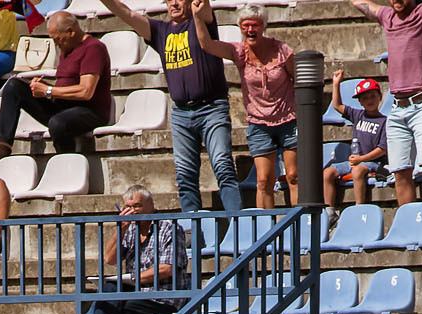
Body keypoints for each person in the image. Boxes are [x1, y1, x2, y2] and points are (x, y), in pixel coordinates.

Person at [100, 0, 243, 215]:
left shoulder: (200, 20)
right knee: (185, 176)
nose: (174, 3)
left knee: (223, 167)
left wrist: (198, 8)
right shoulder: (161, 30)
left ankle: (238, 224)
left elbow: (204, 9)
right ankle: (191, 231)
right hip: (181, 112)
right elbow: (128, 14)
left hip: (212, 107)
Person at [348, 0, 422, 216]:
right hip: (397, 107)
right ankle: (409, 223)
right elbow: (359, 3)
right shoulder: (387, 17)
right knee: (400, 169)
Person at [0, 10, 111, 157]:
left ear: (70, 32)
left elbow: (86, 91)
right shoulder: (68, 49)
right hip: (63, 106)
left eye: (58, 39)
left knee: (58, 123)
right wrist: (41, 87)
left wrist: (48, 91)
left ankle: (67, 161)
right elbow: (65, 86)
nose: (56, 44)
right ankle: (4, 147)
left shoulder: (93, 48)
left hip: (89, 112)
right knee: (14, 86)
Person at [208, 8, 297, 210]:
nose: (250, 29)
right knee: (264, 180)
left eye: (254, 25)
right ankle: (267, 231)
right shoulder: (239, 52)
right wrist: (197, 16)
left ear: (263, 27)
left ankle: (301, 228)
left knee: (293, 176)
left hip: (288, 119)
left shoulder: (282, 50)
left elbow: (298, 79)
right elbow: (206, 45)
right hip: (258, 123)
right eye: (245, 25)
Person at [93, 187, 183, 314]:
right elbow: (110, 259)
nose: (132, 211)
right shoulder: (130, 229)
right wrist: (121, 229)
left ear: (151, 205)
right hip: (134, 292)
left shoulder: (169, 227)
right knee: (109, 290)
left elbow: (166, 269)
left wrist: (134, 279)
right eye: (127, 207)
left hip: (162, 297)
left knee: (120, 308)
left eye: (137, 206)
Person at [322, 79, 388, 206]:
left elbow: (382, 149)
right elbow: (337, 106)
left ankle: (359, 207)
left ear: (380, 96)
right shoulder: (357, 115)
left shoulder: (384, 121)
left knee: (357, 171)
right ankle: (329, 210)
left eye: (373, 96)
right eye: (365, 98)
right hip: (354, 161)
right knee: (327, 173)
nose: (370, 100)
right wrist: (336, 84)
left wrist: (361, 158)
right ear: (360, 102)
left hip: (373, 162)